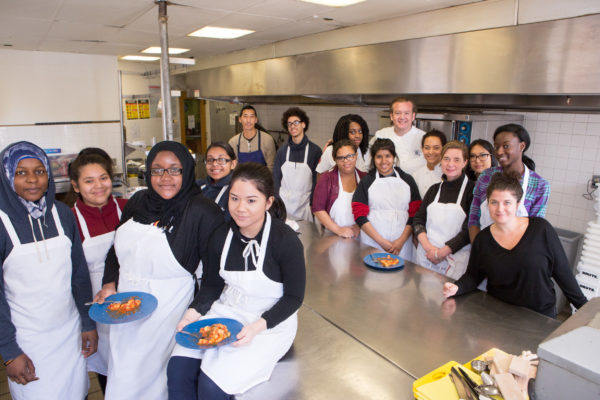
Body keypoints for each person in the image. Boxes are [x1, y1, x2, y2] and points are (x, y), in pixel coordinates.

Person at [96, 141, 224, 400]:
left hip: (171, 314)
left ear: (187, 171)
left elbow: (214, 277)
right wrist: (109, 284)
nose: (165, 178)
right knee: (123, 381)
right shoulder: (139, 200)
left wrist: (193, 314)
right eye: (157, 170)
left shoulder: (203, 211)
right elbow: (115, 252)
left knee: (159, 385)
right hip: (127, 311)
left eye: (174, 170)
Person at [167, 162, 305, 399]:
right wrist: (192, 313)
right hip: (228, 310)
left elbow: (294, 298)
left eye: (251, 200)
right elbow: (212, 284)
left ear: (268, 202)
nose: (241, 208)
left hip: (269, 323)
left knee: (212, 386)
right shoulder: (221, 236)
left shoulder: (285, 241)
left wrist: (255, 328)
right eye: (234, 198)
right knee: (178, 369)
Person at [0, 141, 97, 399]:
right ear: (7, 176)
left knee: (77, 393)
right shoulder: (2, 223)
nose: (32, 180)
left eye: (39, 171)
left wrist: (87, 321)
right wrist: (9, 353)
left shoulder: (62, 214)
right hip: (27, 341)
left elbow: (78, 274)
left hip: (69, 332)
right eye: (21, 172)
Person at [443, 173, 587, 318]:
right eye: (494, 202)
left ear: (517, 204)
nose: (500, 209)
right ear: (487, 203)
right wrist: (457, 287)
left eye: (507, 202)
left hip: (540, 316)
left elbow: (563, 273)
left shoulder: (540, 229)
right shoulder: (483, 240)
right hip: (498, 314)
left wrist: (585, 308)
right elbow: (473, 276)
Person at [69, 147, 127, 393]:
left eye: (103, 178)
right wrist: (86, 325)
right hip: (97, 310)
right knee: (108, 373)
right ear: (75, 186)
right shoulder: (70, 220)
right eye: (88, 181)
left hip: (135, 303)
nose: (98, 186)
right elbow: (72, 278)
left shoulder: (129, 207)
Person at [468, 124, 550, 242]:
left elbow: (535, 230)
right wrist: (478, 250)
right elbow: (474, 218)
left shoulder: (540, 185)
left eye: (506, 146)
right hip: (483, 247)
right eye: (496, 147)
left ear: (522, 146)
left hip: (517, 253)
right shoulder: (485, 176)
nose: (500, 151)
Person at [413, 141, 474, 279]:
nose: (450, 164)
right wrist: (429, 248)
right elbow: (418, 220)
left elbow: (469, 229)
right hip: (426, 257)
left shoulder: (472, 190)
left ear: (465, 162)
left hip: (453, 259)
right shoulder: (434, 189)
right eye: (446, 159)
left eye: (456, 159)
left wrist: (442, 252)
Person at [352, 138, 421, 259]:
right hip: (373, 242)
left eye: (387, 156)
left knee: (400, 275)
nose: (383, 161)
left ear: (393, 157)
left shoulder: (407, 180)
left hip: (402, 244)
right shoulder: (367, 181)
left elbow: (414, 214)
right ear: (373, 159)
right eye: (379, 156)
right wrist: (381, 242)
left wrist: (400, 241)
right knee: (373, 276)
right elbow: (359, 215)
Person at [273, 107, 322, 222]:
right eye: (289, 124)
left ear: (303, 124)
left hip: (304, 206)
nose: (292, 126)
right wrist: (276, 200)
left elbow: (317, 181)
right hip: (283, 205)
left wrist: (312, 202)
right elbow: (275, 178)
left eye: (296, 123)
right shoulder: (282, 151)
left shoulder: (315, 151)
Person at [313, 139, 367, 238]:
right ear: (334, 159)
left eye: (350, 156)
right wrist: (338, 230)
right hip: (332, 236)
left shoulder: (364, 179)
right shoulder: (327, 179)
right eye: (341, 158)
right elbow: (318, 208)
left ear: (356, 155)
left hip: (359, 236)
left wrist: (358, 226)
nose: (346, 161)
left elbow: (371, 207)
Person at [365, 97, 426, 175]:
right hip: (386, 183)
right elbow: (367, 164)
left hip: (416, 185)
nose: (402, 117)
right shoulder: (381, 135)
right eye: (398, 113)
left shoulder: (424, 138)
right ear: (391, 116)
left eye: (406, 113)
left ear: (413, 116)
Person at [228, 105, 276, 171]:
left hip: (262, 180)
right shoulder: (233, 142)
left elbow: (271, 166)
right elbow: (232, 168)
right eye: (245, 116)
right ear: (240, 119)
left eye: (251, 116)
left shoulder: (267, 139)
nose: (248, 120)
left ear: (256, 120)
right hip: (241, 180)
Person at [196, 142, 237, 218]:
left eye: (221, 159)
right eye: (210, 160)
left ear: (233, 164)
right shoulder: (197, 186)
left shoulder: (237, 191)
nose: (214, 164)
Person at [411, 129, 447, 198]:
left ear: (444, 148)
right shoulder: (416, 175)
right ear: (422, 149)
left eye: (436, 148)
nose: (431, 152)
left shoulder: (448, 174)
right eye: (427, 148)